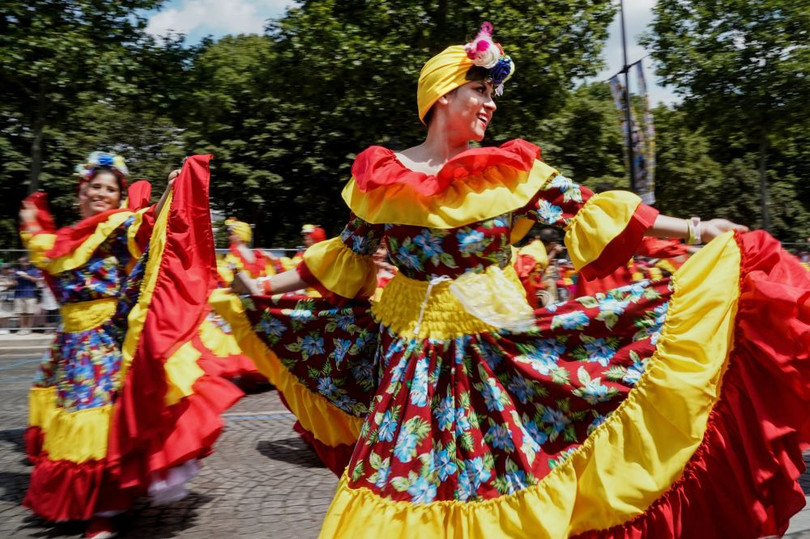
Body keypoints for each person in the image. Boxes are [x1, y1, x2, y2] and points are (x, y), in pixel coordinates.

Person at [225, 23, 810, 538]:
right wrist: (265, 289)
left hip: (496, 347)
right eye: (480, 89)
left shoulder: (509, 171)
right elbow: (343, 257)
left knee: (503, 473)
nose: (491, 103)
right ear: (442, 93)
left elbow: (590, 211)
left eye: (492, 93)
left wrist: (700, 229)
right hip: (407, 361)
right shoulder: (382, 179)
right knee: (399, 479)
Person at [19, 152, 242, 538]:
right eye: (95, 187)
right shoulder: (64, 240)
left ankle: (103, 511)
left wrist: (171, 189)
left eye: (110, 189)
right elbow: (38, 243)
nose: (102, 194)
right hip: (69, 346)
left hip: (105, 341)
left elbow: (148, 226)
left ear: (119, 196)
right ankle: (79, 503)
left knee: (98, 424)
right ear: (81, 193)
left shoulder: (117, 226)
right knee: (70, 428)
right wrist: (29, 216)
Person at [14, 256, 41, 335]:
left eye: (23, 262)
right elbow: (14, 282)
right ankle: (22, 328)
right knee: (21, 312)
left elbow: (36, 280)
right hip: (19, 294)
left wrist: (25, 276)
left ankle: (29, 329)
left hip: (31, 294)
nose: (21, 263)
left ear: (28, 262)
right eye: (20, 262)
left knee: (30, 312)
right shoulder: (17, 270)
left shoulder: (34, 270)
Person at [0, 264, 16, 334]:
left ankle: (5, 328)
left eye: (7, 268)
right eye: (4, 268)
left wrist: (4, 283)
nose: (6, 270)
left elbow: (13, 283)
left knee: (5, 313)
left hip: (6, 296)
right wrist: (6, 283)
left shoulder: (11, 276)